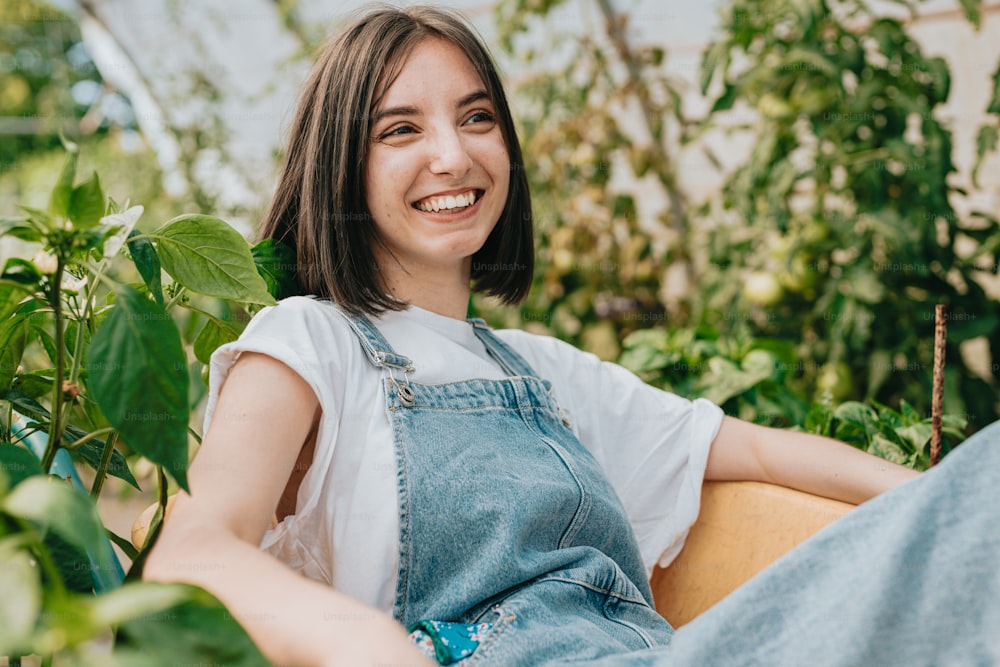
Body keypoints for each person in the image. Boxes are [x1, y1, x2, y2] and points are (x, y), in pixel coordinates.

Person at [143, 6, 1000, 667]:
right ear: (341, 163)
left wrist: (945, 495)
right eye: (400, 129)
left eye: (477, 118)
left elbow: (765, 455)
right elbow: (193, 553)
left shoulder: (545, 373)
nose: (453, 155)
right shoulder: (309, 341)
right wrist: (361, 641)